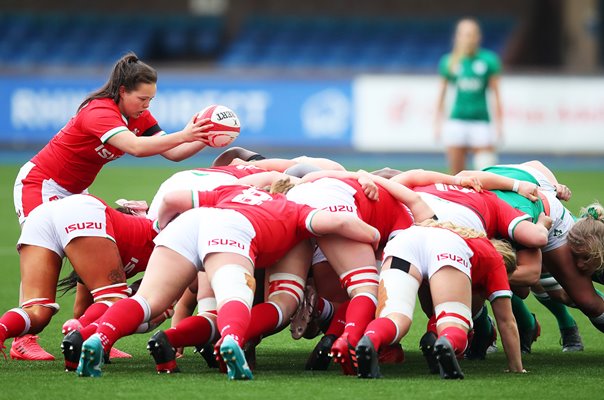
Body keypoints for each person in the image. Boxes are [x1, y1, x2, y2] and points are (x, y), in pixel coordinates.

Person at [11, 52, 212, 358]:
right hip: (42, 184)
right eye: (143, 99)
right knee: (45, 255)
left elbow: (172, 153)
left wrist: (206, 138)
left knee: (94, 261)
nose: (147, 106)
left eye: (151, 100)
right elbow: (136, 147)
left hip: (76, 191)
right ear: (122, 92)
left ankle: (95, 330)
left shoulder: (137, 115)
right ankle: (22, 338)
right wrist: (186, 133)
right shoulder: (99, 111)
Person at [75, 183, 381, 379]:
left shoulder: (234, 189)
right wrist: (373, 235)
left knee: (147, 300)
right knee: (235, 295)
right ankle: (232, 340)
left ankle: (99, 339)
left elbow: (172, 197)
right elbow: (339, 222)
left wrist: (159, 226)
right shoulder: (295, 209)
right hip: (232, 230)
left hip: (192, 222)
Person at [0, 194, 156, 367]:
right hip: (83, 212)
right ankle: (86, 342)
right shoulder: (162, 237)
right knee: (117, 302)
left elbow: (81, 308)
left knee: (38, 311)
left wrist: (82, 325)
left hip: (40, 216)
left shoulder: (102, 245)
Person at [355, 220, 524, 380]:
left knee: (395, 317)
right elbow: (506, 321)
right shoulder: (495, 260)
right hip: (448, 248)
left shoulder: (468, 239)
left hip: (403, 241)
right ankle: (446, 342)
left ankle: (370, 339)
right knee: (454, 320)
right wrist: (516, 366)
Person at [435, 18, 503, 174]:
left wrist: (499, 124)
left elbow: (496, 95)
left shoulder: (489, 60)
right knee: (457, 175)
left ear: (478, 37)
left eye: (471, 34)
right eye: (464, 34)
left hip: (481, 122)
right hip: (457, 121)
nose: (468, 38)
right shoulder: (449, 61)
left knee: (487, 171)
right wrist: (438, 122)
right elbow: (442, 94)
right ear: (457, 36)